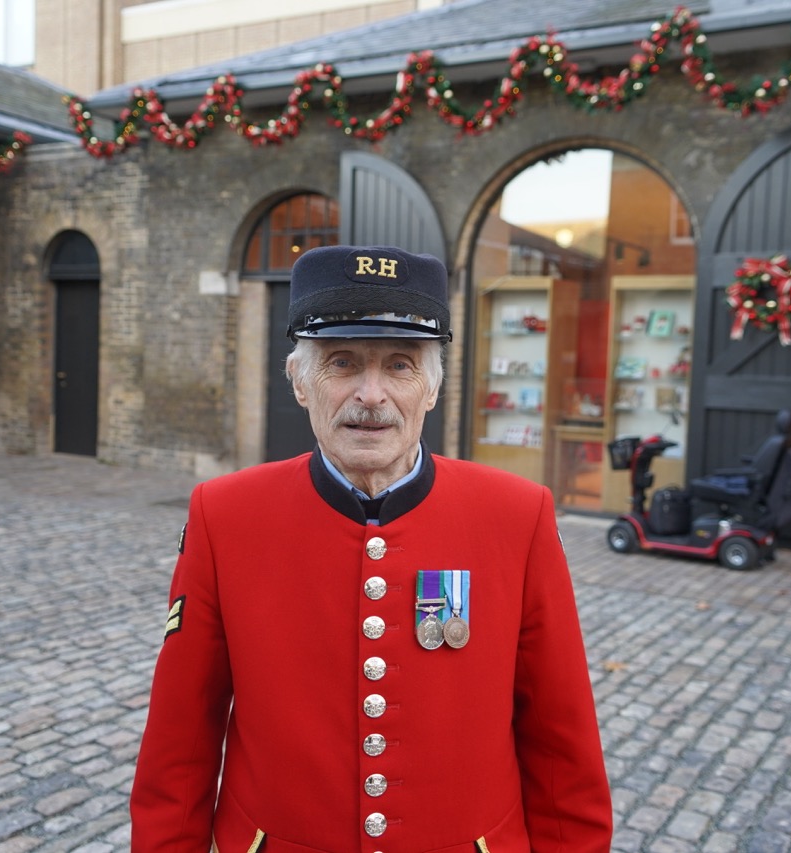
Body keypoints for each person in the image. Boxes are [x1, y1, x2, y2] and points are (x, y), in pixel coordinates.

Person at [131, 245, 613, 852]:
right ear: (300, 383)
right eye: (340, 362)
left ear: (432, 389)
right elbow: (181, 742)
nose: (371, 393)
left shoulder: (517, 516)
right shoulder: (224, 516)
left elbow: (559, 738)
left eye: (401, 365)